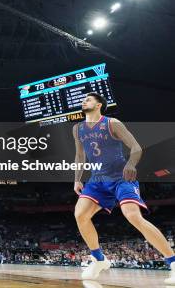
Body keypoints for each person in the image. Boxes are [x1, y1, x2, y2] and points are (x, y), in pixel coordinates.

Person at [73, 92, 175, 283]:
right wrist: (77, 179)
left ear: (98, 105)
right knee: (80, 215)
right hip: (97, 179)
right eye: (83, 99)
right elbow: (80, 156)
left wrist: (131, 164)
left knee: (133, 216)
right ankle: (99, 260)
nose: (83, 101)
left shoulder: (112, 123)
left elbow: (136, 147)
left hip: (121, 176)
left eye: (88, 99)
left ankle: (173, 261)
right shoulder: (77, 128)